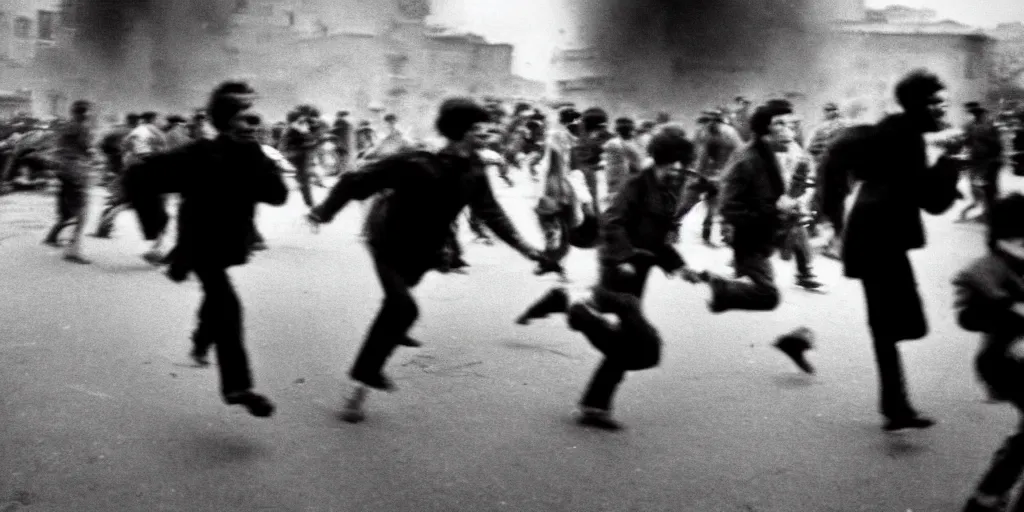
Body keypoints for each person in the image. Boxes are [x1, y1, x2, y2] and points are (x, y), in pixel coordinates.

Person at [305, 98, 548, 421]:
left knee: (394, 312)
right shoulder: (417, 161)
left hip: (423, 252)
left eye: (487, 129)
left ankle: (368, 372)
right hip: (387, 242)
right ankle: (361, 382)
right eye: (479, 129)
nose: (487, 135)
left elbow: (491, 212)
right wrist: (322, 212)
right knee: (403, 309)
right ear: (460, 132)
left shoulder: (474, 170)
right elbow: (354, 181)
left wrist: (526, 248)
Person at [516, 124, 700, 430]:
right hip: (618, 266)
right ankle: (575, 312)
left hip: (638, 270)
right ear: (663, 159)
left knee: (629, 343)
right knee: (644, 348)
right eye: (676, 164)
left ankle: (594, 403)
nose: (681, 171)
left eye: (683, 165)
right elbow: (612, 224)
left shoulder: (668, 190)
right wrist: (625, 257)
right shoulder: (636, 185)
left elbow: (658, 239)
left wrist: (680, 266)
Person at [123, 81, 287, 418]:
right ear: (226, 120)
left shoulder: (252, 154)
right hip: (199, 245)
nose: (252, 125)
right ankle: (237, 387)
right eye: (245, 118)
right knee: (227, 304)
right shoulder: (197, 154)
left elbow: (277, 195)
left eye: (254, 119)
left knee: (217, 297)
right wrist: (152, 222)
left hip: (228, 244)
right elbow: (140, 177)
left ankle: (200, 340)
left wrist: (260, 154)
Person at [823, 69, 964, 430]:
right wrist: (951, 162)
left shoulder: (896, 130)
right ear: (919, 105)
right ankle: (895, 406)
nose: (943, 111)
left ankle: (894, 405)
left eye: (944, 104)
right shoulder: (903, 137)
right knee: (893, 324)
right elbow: (931, 200)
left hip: (877, 238)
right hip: (877, 240)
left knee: (898, 323)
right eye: (937, 104)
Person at [698, 99, 819, 374]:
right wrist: (774, 210)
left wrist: (797, 208)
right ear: (764, 128)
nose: (788, 130)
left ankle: (795, 337)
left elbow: (796, 187)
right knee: (768, 295)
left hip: (780, 232)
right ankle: (722, 289)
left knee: (798, 281)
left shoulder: (787, 152)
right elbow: (729, 207)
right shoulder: (747, 159)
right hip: (752, 238)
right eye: (780, 124)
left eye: (791, 124)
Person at [954, 194, 1024, 512]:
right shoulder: (989, 268)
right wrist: (1008, 309)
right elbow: (968, 315)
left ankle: (987, 497)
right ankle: (986, 497)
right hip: (1004, 362)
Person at [42, 100, 95, 264]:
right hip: (75, 170)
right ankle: (74, 251)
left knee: (67, 207)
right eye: (87, 112)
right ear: (84, 113)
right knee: (82, 213)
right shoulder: (82, 127)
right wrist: (92, 156)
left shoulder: (66, 126)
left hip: (62, 169)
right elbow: (87, 149)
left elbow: (58, 147)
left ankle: (53, 237)